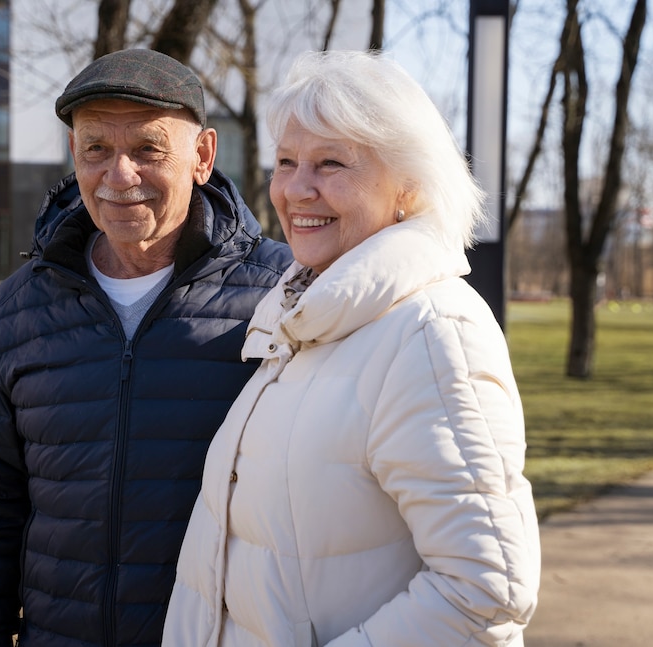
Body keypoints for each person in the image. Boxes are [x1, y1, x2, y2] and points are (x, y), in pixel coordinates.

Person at [162, 50, 541, 647]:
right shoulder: (306, 321)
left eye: (331, 163)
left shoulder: (432, 331)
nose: (296, 189)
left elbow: (485, 590)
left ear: (407, 188)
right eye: (286, 162)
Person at [0, 48, 292, 647]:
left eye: (149, 149)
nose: (119, 175)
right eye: (96, 149)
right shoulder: (20, 308)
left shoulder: (281, 298)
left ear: (203, 156)